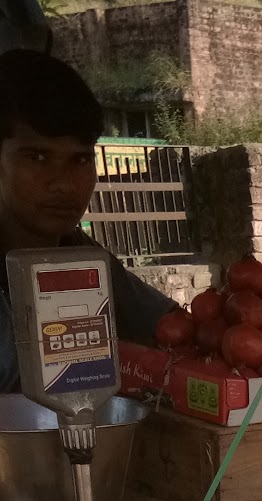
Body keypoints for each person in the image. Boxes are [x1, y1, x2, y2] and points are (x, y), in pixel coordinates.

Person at [0, 49, 176, 393]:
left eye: (80, 160)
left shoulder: (83, 256)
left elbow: (170, 327)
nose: (64, 184)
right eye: (37, 157)